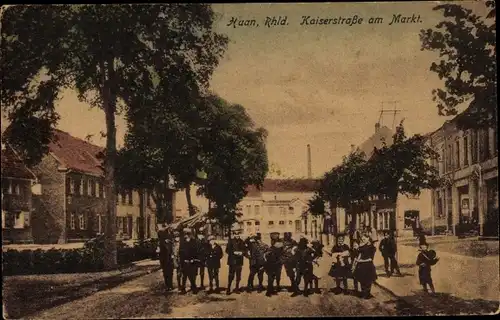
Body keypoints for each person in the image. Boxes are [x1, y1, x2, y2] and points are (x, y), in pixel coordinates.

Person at [352, 233, 377, 299]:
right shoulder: (361, 247)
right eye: (362, 239)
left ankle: (367, 294)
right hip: (361, 267)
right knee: (362, 280)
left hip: (368, 266)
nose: (363, 240)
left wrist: (360, 261)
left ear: (368, 238)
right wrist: (356, 249)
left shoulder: (372, 248)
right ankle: (363, 293)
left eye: (364, 239)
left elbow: (370, 259)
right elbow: (357, 255)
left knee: (368, 281)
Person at [226, 227, 246, 295]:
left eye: (238, 234)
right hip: (232, 261)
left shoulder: (242, 241)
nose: (237, 236)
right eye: (236, 235)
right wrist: (234, 252)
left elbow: (245, 250)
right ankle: (228, 288)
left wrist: (242, 253)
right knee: (231, 275)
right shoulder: (230, 241)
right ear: (234, 235)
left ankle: (237, 288)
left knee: (238, 276)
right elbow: (227, 250)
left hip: (239, 261)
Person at [179, 228, 198, 294]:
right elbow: (180, 252)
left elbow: (195, 251)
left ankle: (194, 288)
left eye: (187, 234)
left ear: (189, 235)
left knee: (191, 276)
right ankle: (183, 289)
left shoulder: (193, 241)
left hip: (191, 261)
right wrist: (182, 260)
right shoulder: (182, 242)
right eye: (185, 234)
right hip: (184, 261)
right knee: (184, 276)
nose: (186, 236)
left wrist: (193, 259)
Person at [157, 224, 174, 291]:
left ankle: (170, 285)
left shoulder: (169, 239)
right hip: (164, 258)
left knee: (169, 272)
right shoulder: (161, 242)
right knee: (166, 272)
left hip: (169, 259)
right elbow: (159, 232)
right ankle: (168, 285)